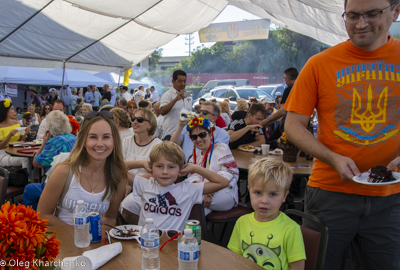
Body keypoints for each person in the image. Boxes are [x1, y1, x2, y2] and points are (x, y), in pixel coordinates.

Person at [284, 0, 400, 268]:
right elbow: (293, 125)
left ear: (395, 11)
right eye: (353, 16)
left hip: (391, 198)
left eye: (372, 14)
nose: (361, 24)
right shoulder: (319, 64)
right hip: (330, 194)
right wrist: (332, 157)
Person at [37, 111, 127, 226]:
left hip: (96, 242)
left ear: (114, 141)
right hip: (62, 241)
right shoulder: (64, 171)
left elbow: (109, 219)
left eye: (106, 137)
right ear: (83, 140)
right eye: (93, 137)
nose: (100, 144)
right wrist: (79, 235)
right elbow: (43, 215)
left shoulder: (119, 178)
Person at [121, 141, 230, 231]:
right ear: (151, 168)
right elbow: (116, 169)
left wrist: (195, 168)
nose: (165, 171)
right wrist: (142, 163)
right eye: (159, 166)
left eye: (171, 167)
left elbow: (223, 182)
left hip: (172, 247)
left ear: (180, 170)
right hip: (146, 243)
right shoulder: (145, 185)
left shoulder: (188, 190)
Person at [228, 157, 306, 270]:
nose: (264, 200)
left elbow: (297, 267)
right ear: (249, 190)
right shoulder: (242, 222)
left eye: (273, 194)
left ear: (285, 196)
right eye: (258, 192)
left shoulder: (291, 229)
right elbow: (234, 259)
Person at [185, 117, 239, 215]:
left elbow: (230, 174)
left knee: (189, 199)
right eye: (194, 137)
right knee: (194, 207)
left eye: (202, 135)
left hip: (223, 192)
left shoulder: (222, 148)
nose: (198, 139)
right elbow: (192, 177)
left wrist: (210, 189)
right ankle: (199, 229)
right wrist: (204, 188)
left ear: (210, 134)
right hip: (202, 191)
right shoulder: (195, 156)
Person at [24, 110, 77, 210]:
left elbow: (36, 163)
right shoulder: (73, 138)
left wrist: (44, 142)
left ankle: (34, 219)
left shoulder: (53, 142)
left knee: (28, 189)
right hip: (73, 182)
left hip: (57, 184)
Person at [159, 70, 192, 141]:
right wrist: (176, 99)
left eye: (184, 81)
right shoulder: (167, 95)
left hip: (185, 135)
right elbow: (162, 111)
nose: (183, 84)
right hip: (170, 134)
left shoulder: (188, 96)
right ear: (173, 81)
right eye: (180, 81)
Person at [0, 99, 30, 169]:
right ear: (6, 111)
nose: (14, 111)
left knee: (33, 157)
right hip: (2, 153)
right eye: (12, 109)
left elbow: (20, 141)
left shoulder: (15, 123)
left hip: (15, 151)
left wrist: (25, 133)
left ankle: (34, 178)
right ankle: (27, 179)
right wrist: (9, 135)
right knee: (25, 159)